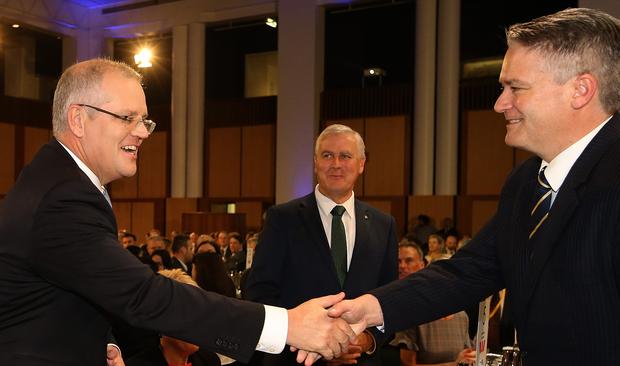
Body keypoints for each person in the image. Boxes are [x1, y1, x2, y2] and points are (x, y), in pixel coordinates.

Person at [327, 8, 620, 366]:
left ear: (581, 90)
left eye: (516, 88)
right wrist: (370, 309)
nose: (500, 104)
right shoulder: (526, 182)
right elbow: (469, 270)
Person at [0, 58, 358, 365]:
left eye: (145, 121)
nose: (142, 132)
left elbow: (70, 293)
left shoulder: (60, 183)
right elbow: (143, 295)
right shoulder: (63, 198)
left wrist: (103, 344)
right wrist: (287, 326)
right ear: (77, 119)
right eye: (127, 117)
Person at [245, 124, 398, 365]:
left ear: (361, 164)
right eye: (327, 155)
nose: (336, 163)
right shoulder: (282, 218)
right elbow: (259, 293)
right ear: (316, 163)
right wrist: (311, 340)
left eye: (345, 156)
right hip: (295, 360)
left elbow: (390, 298)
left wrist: (367, 340)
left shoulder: (383, 225)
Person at [392, 242, 475, 366]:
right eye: (441, 275)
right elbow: (407, 364)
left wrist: (471, 357)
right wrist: (454, 364)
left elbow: (466, 355)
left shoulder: (461, 316)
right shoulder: (412, 312)